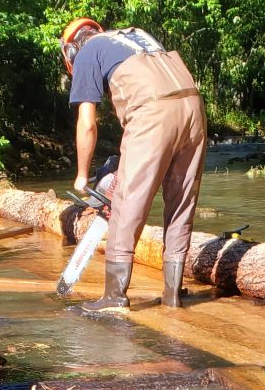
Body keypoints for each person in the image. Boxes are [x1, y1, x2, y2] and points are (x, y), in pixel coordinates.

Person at [60, 19, 206, 312]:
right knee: (180, 203)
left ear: (71, 50)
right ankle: (172, 294)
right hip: (193, 108)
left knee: (127, 203)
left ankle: (114, 297)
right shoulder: (139, 35)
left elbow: (87, 124)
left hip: (153, 112)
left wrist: (82, 176)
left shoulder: (87, 51)